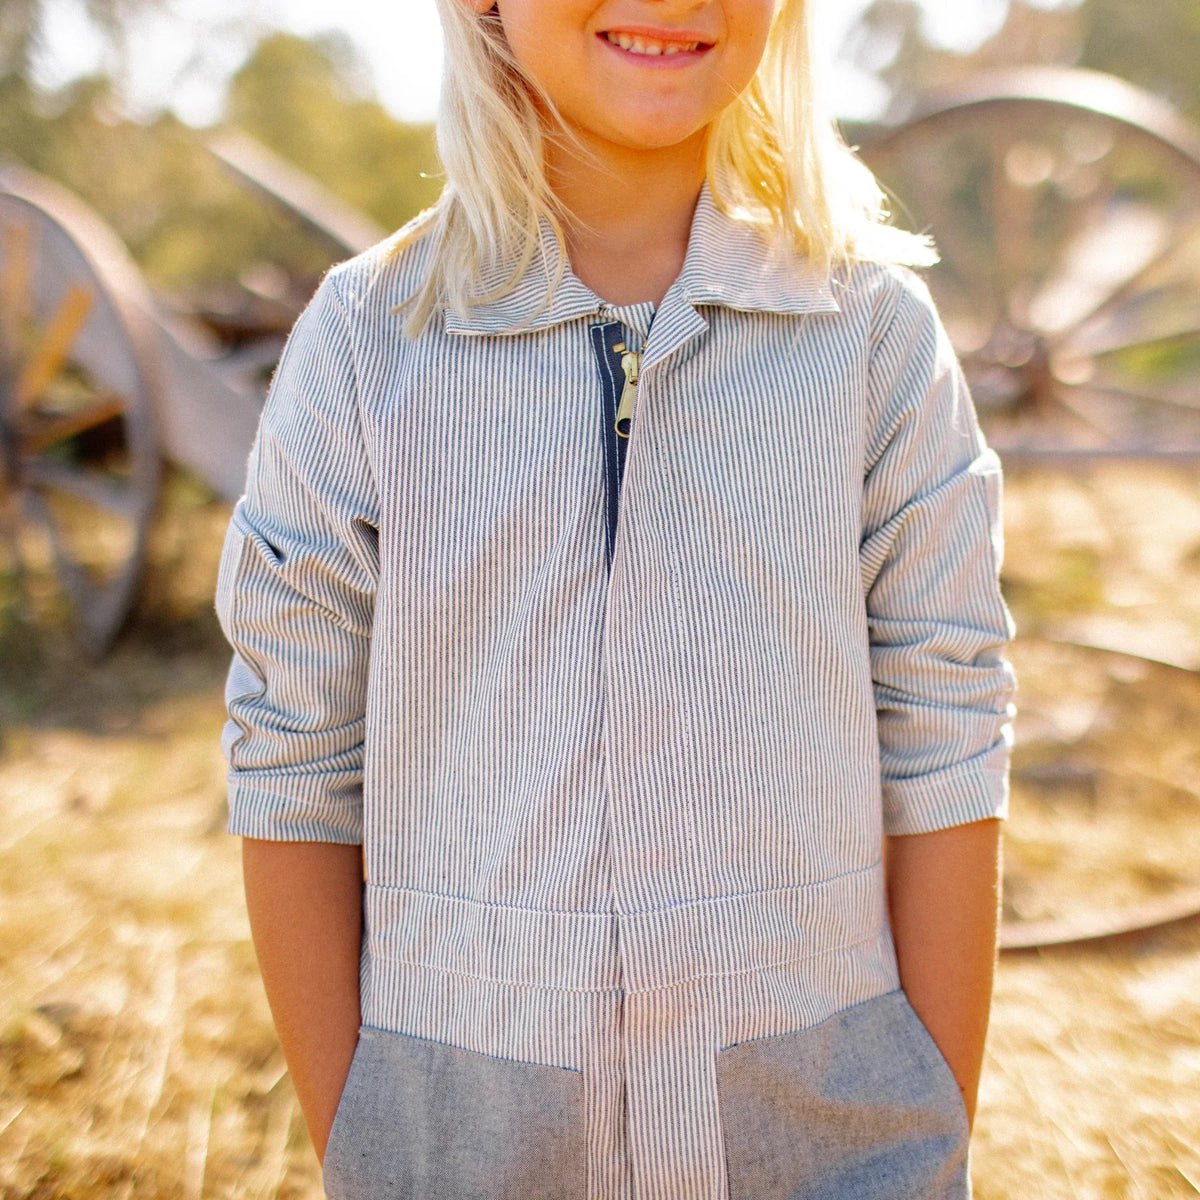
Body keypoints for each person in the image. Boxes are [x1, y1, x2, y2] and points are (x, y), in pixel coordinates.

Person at [215, 0, 1017, 1196]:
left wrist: (922, 1119)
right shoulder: (369, 345)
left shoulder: (870, 340)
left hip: (834, 1139)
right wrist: (374, 1137)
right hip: (463, 1134)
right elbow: (293, 759)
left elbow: (946, 733)